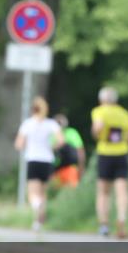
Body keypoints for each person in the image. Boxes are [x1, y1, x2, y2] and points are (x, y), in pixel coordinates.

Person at [90, 86, 128, 239]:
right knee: (122, 191)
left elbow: (97, 128)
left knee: (104, 192)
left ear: (102, 99)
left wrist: (97, 133)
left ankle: (104, 225)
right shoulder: (125, 114)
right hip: (122, 154)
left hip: (105, 153)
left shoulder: (99, 111)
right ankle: (122, 219)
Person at [14, 97, 64, 231]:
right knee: (42, 192)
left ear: (32, 109)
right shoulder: (51, 124)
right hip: (47, 160)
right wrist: (51, 146)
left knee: (32, 193)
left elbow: (18, 144)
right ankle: (39, 221)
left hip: (33, 158)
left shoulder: (27, 124)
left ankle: (37, 210)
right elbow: (60, 140)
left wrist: (27, 146)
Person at [53, 113, 86, 189]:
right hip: (56, 170)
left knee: (71, 191)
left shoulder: (72, 133)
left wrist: (81, 167)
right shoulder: (51, 135)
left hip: (70, 168)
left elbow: (80, 151)